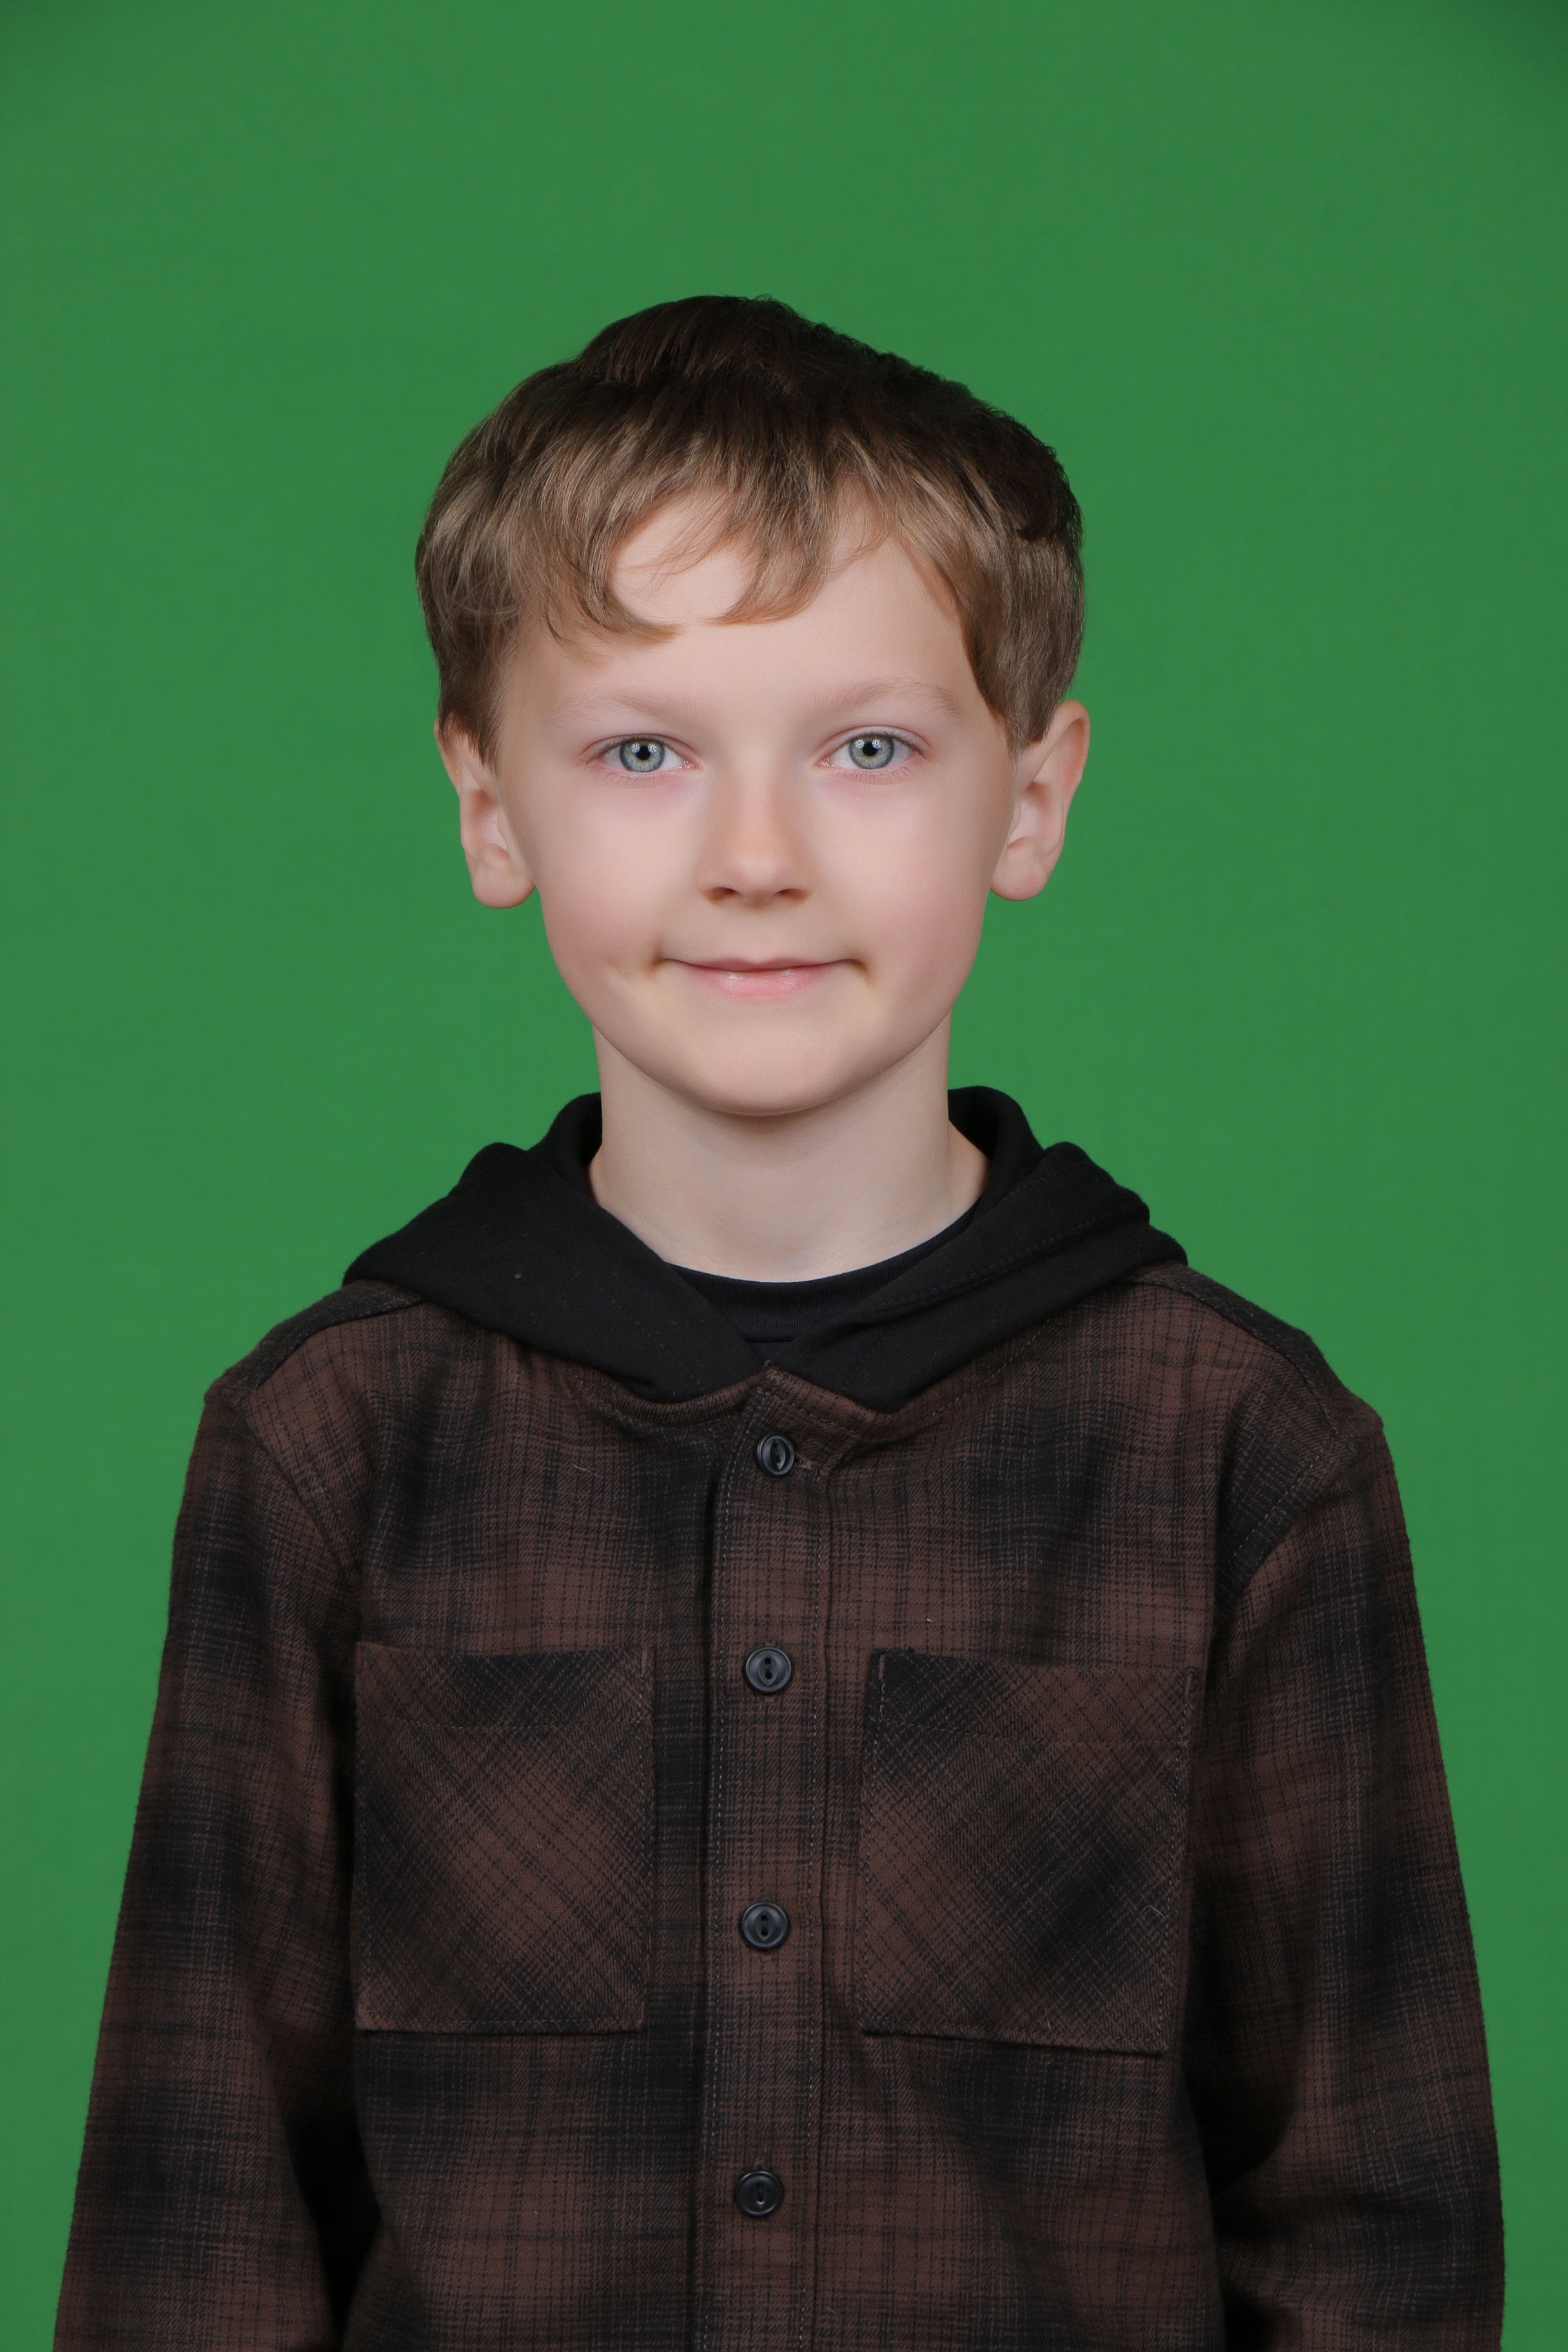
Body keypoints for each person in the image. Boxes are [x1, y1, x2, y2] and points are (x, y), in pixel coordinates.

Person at [55, 295, 1502, 2349]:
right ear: (488, 804)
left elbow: (1377, 2233)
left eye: (870, 749)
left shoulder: (1246, 1457)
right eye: (644, 751)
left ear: (1032, 797)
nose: (756, 857)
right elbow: (193, 2217)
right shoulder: (327, 1446)